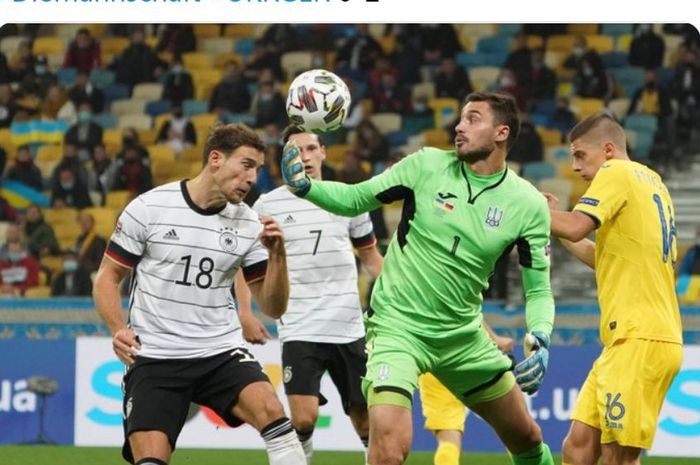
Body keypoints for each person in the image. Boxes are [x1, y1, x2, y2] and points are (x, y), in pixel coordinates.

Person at [281, 91, 556, 465]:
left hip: (462, 336)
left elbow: (538, 289)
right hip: (398, 329)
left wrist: (540, 335)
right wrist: (307, 188)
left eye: (473, 119)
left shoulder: (528, 204)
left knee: (527, 437)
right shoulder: (426, 166)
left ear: (501, 133)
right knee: (389, 451)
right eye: (460, 118)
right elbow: (355, 198)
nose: (459, 126)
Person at [92, 123, 306, 465]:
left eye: (258, 170)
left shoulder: (251, 224)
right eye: (246, 165)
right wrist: (117, 327)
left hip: (219, 351)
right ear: (216, 159)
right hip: (155, 355)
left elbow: (273, 306)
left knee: (276, 419)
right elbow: (107, 277)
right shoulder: (149, 208)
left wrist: (278, 255)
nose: (253, 178)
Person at [237, 126, 384, 464]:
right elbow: (245, 265)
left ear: (323, 152)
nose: (303, 157)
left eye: (310, 148)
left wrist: (404, 292)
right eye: (295, 151)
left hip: (349, 327)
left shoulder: (348, 197)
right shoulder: (266, 205)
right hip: (300, 325)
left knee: (365, 422)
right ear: (284, 159)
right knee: (303, 418)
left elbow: (372, 258)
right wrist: (245, 313)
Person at [543, 112, 683, 465]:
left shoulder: (615, 172)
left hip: (640, 337)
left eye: (580, 155)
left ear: (608, 150)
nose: (575, 167)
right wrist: (554, 226)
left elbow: (576, 226)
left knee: (617, 458)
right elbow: (601, 254)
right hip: (626, 341)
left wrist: (525, 210)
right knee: (577, 449)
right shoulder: (652, 181)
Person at [419, 327, 514, 465]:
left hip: (433, 360)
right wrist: (496, 339)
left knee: (448, 439)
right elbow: (471, 316)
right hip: (469, 355)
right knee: (513, 430)